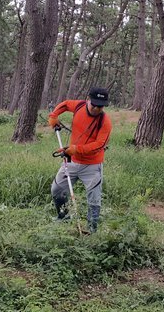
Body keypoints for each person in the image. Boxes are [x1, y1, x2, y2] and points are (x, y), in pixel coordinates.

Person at [48, 87, 113, 233]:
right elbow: (64, 104)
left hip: (92, 165)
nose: (96, 108)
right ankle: (63, 217)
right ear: (88, 99)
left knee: (94, 199)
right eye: (94, 104)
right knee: (57, 190)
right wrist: (54, 115)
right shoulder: (78, 106)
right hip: (71, 162)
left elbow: (100, 145)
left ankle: (91, 230)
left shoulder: (105, 122)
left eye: (100, 106)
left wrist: (77, 149)